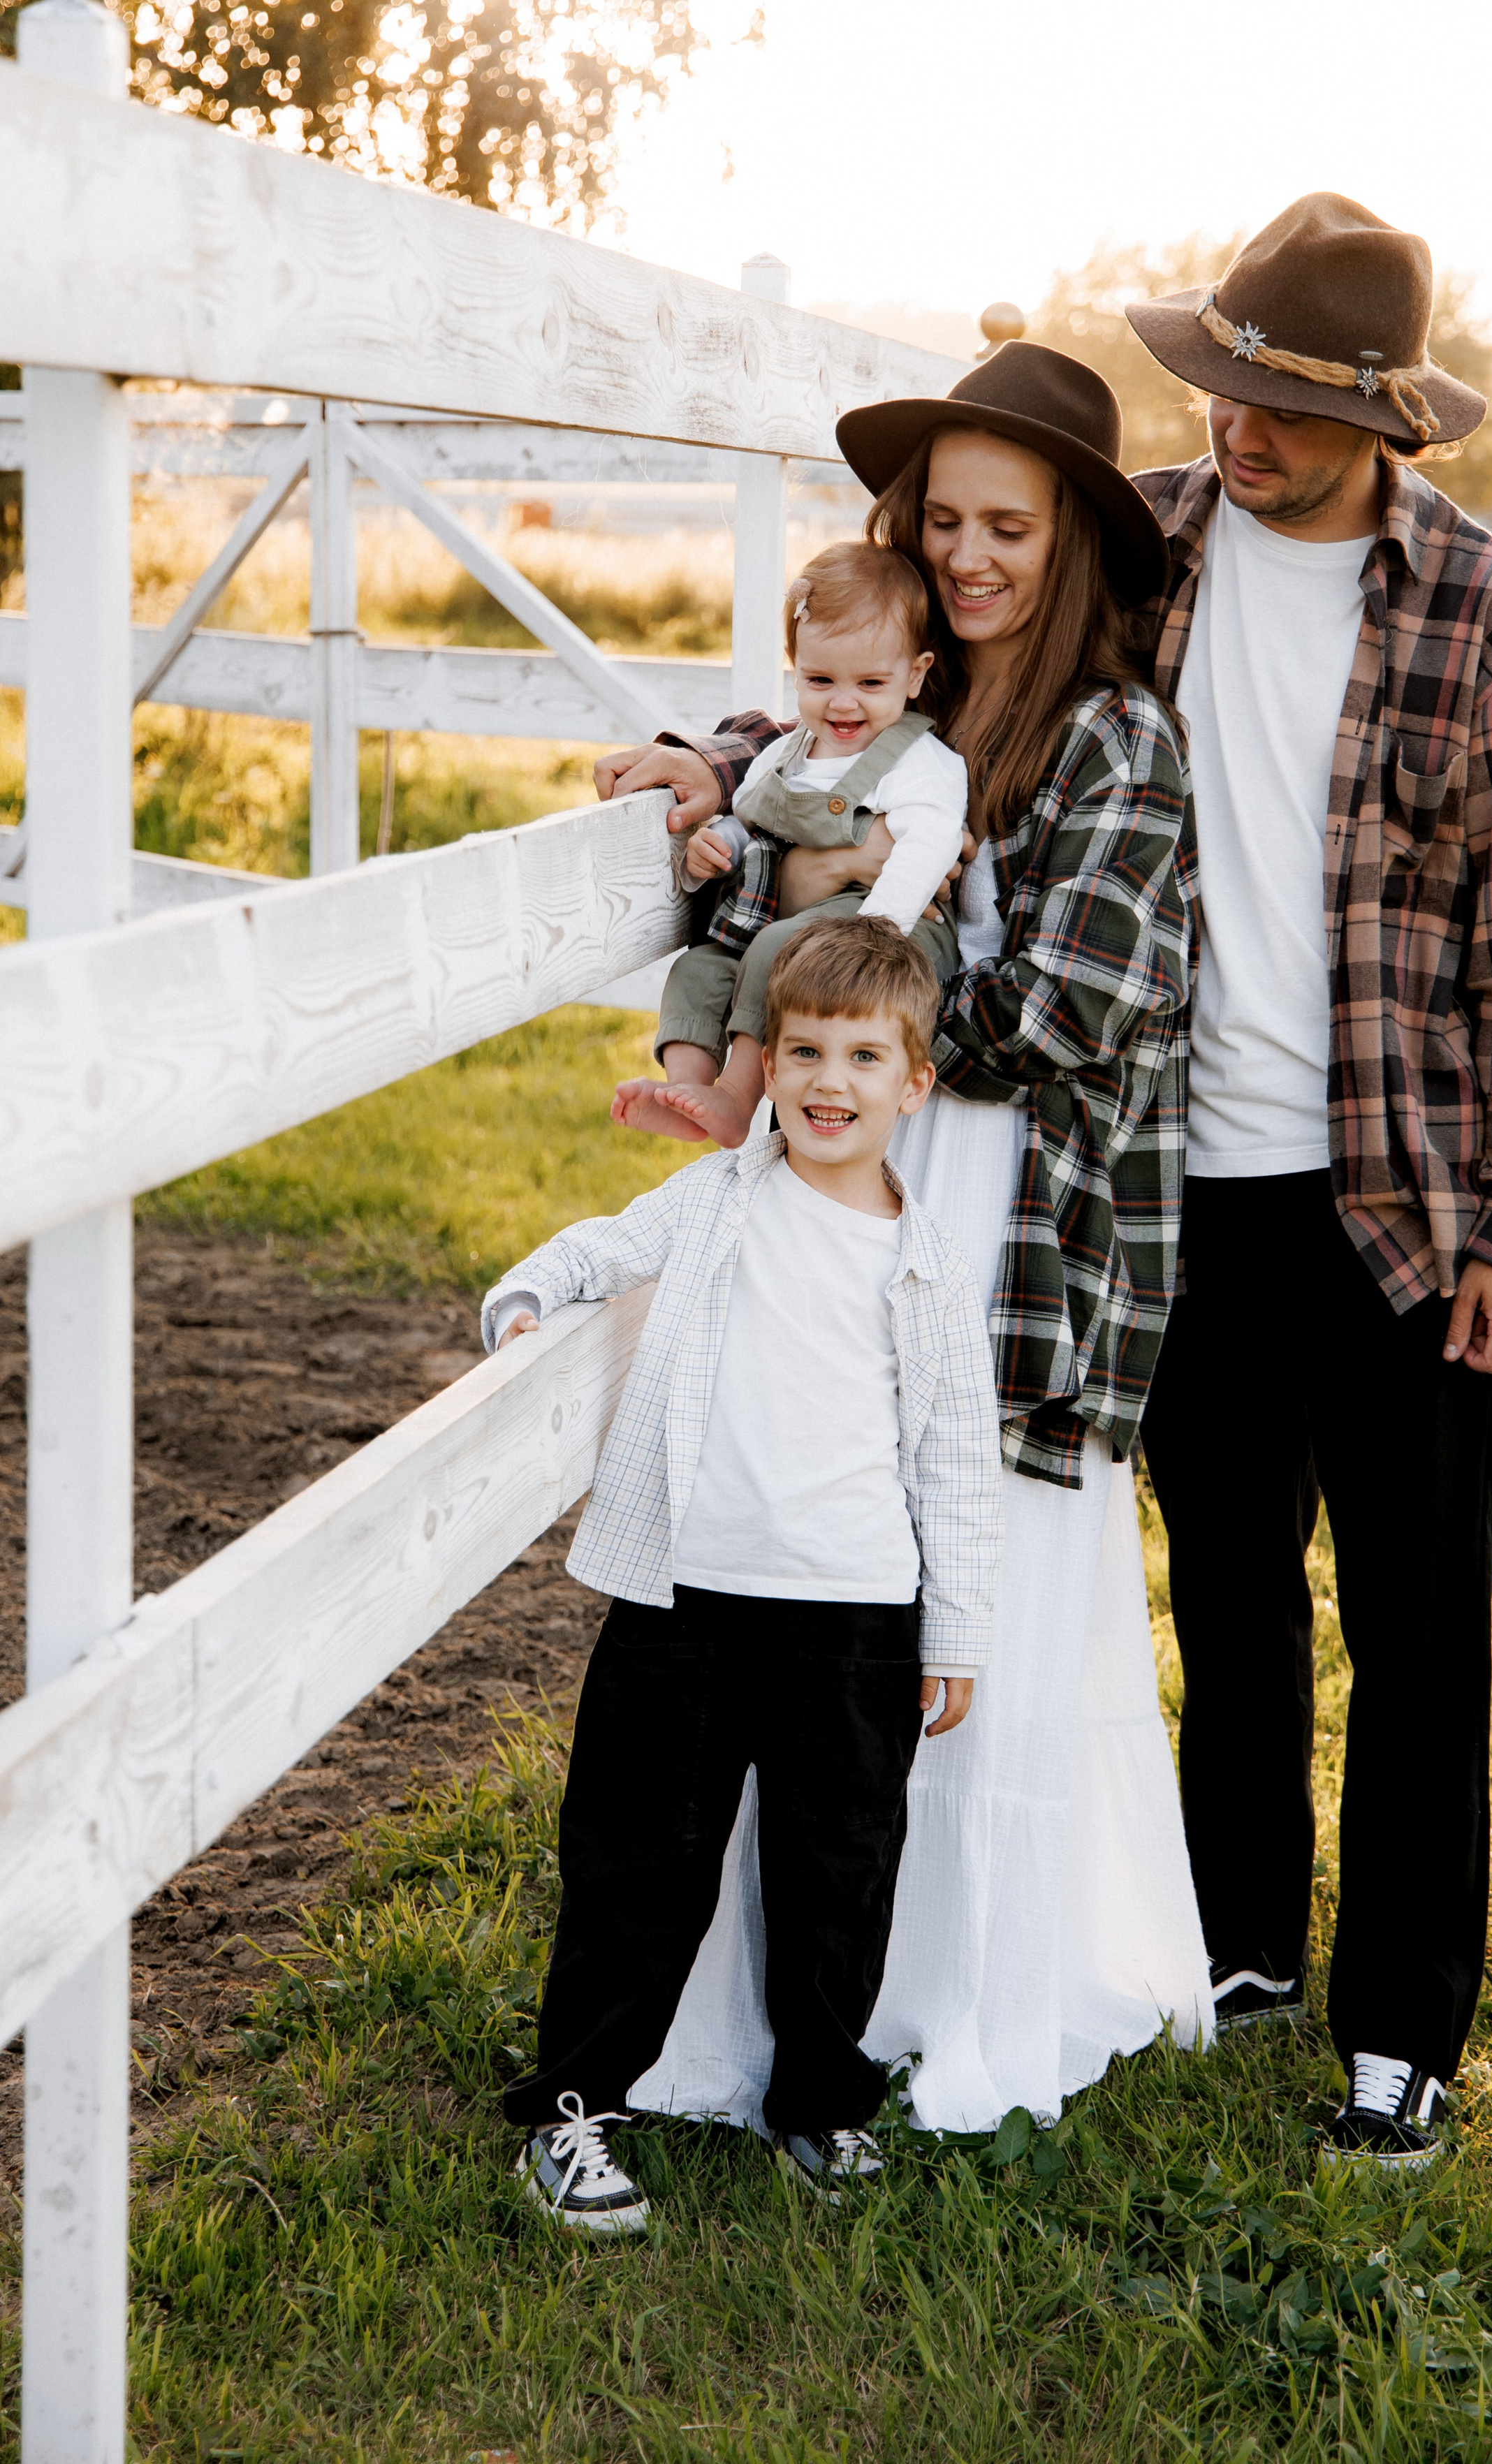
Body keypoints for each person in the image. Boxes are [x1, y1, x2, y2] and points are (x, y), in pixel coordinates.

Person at [592, 342, 1214, 2137]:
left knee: (977, 1583)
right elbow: (808, 740)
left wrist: (838, 972)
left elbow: (1076, 1000)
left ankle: (956, 1988)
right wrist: (716, 766)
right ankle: (802, 1996)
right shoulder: (908, 704)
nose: (967, 553)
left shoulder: (1109, 735)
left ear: (1071, 538)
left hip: (1011, 1219)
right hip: (855, 1184)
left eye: (1004, 524)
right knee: (815, 1562)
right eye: (939, 518)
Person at [1124, 192, 1492, 2167]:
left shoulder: (1487, 610)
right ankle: (1236, 1948)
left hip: (1399, 1212)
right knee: (1226, 1597)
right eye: (1227, 384)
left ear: (1388, 419)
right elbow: (902, 673)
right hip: (1175, 1189)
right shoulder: (1129, 547)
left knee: (1417, 1635)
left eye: (1292, 406)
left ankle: (1400, 2033)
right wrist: (711, 755)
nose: (1245, 429)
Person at [483, 916, 1003, 2231]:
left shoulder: (929, 1264)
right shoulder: (721, 1200)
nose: (832, 1082)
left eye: (865, 1057)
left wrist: (958, 1633)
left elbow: (954, 1461)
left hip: (859, 1620)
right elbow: (604, 1245)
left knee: (841, 1873)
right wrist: (531, 1300)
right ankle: (578, 2109)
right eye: (806, 1051)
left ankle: (821, 2106)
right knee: (634, 1860)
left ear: (913, 1082)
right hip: (688, 1598)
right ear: (767, 1067)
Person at [613, 540, 966, 1149]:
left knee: (781, 951)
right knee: (700, 967)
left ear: (916, 674)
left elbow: (930, 845)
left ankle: (736, 1097)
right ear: (794, 665)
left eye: (871, 681)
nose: (843, 701)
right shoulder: (788, 753)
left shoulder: (918, 761)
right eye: (820, 679)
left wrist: (875, 931)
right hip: (790, 918)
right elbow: (747, 818)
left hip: (887, 922)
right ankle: (689, 1088)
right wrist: (713, 847)